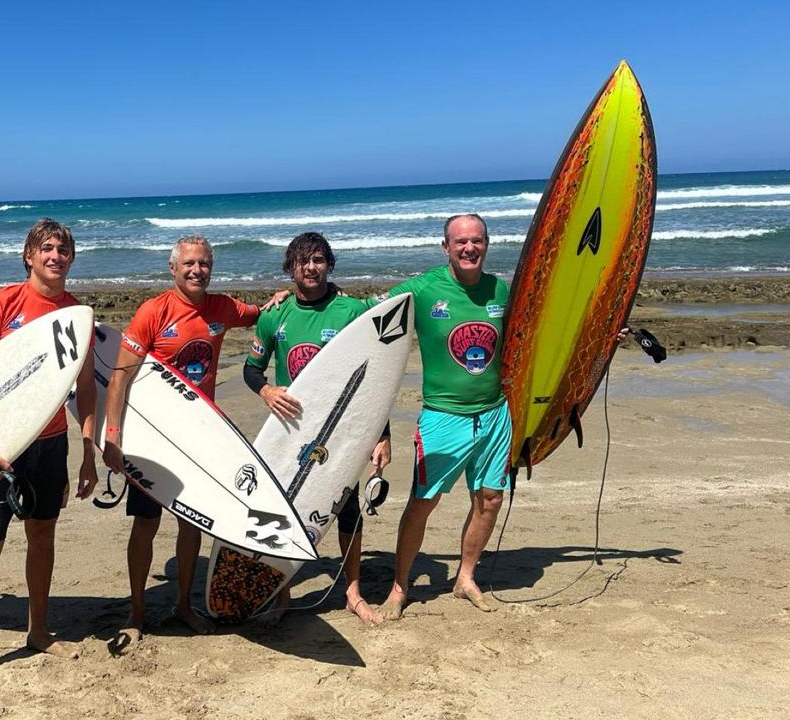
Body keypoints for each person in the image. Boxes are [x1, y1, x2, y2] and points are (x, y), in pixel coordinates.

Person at [0, 219, 98, 697]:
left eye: (64, 249)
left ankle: (38, 631)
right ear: (29, 256)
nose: (56, 256)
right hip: (0, 445)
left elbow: (86, 387)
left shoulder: (77, 314)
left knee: (42, 536)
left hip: (51, 444)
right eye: (47, 249)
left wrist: (88, 453)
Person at [101, 235, 262, 643]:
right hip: (156, 437)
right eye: (189, 264)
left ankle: (184, 605)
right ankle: (137, 612)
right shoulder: (153, 312)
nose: (197, 270)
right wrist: (113, 435)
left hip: (200, 434)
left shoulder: (223, 308)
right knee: (146, 522)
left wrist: (282, 301)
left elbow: (260, 314)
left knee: (193, 524)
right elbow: (120, 376)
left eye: (204, 264)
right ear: (173, 269)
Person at [242, 232, 391, 625]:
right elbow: (250, 369)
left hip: (342, 430)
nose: (311, 267)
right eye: (303, 260)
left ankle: (353, 592)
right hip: (290, 431)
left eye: (319, 259)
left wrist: (382, 434)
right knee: (283, 510)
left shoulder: (351, 311)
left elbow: (377, 374)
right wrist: (267, 391)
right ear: (290, 266)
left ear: (330, 264)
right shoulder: (275, 314)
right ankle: (282, 594)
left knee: (347, 510)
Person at [374, 213, 510, 618]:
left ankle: (465, 577)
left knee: (489, 498)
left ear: (487, 244)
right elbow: (363, 312)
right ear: (445, 247)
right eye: (460, 242)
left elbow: (547, 326)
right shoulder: (422, 288)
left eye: (477, 241)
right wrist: (286, 302)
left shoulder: (502, 289)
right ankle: (400, 587)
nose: (469, 248)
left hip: (495, 413)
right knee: (422, 502)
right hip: (441, 417)